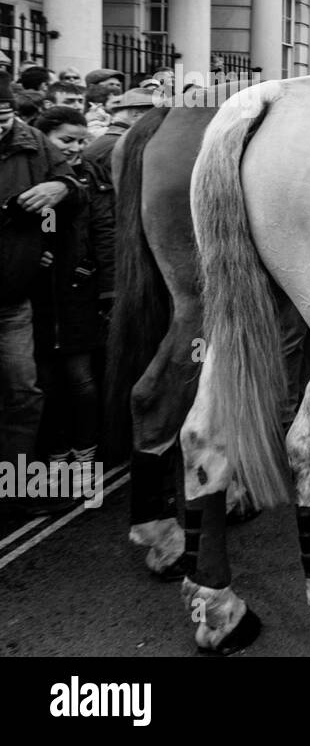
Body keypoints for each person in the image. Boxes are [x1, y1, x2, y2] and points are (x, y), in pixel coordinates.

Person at [0, 72, 84, 517]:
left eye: (5, 117)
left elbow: (77, 191)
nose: (3, 128)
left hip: (13, 302)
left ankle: (14, 487)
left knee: (24, 395)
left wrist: (62, 187)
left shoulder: (31, 140)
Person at [30, 108, 114, 468]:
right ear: (43, 137)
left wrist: (109, 288)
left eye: (82, 141)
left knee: (82, 380)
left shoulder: (93, 178)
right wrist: (33, 255)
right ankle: (56, 452)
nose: (76, 148)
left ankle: (85, 452)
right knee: (43, 384)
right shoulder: (32, 173)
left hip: (80, 292)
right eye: (66, 140)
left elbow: (105, 232)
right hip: (35, 297)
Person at [83, 86, 162, 172]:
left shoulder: (114, 139)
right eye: (159, 116)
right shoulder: (126, 144)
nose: (162, 122)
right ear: (136, 114)